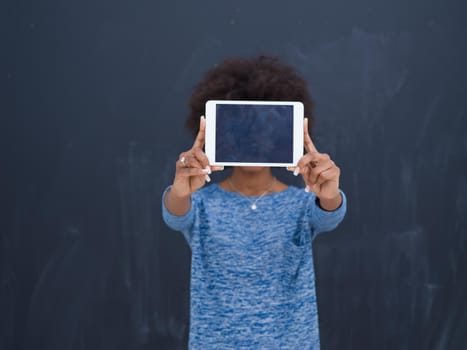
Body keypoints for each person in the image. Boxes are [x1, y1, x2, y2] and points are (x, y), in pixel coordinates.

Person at [162, 55, 347, 349]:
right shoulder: (201, 203)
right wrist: (180, 189)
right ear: (218, 133)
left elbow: (330, 213)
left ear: (284, 135)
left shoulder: (301, 204)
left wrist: (328, 192)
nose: (253, 140)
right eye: (240, 129)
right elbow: (175, 214)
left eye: (264, 130)